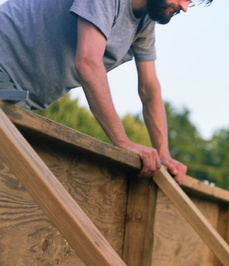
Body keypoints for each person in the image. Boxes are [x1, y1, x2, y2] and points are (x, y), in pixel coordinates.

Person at [0, 0, 206, 184]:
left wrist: (163, 155)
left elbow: (149, 88)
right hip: (4, 64)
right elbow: (88, 63)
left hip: (20, 93)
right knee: (16, 180)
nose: (185, 7)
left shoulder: (144, 24)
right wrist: (123, 142)